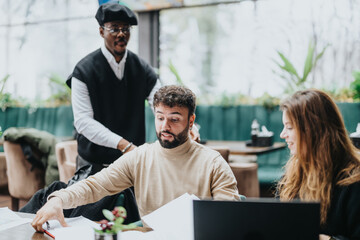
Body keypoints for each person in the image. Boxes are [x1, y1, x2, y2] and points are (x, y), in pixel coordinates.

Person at [20, 2, 199, 220]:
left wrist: (188, 126)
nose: (121, 34)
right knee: (84, 219)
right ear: (101, 30)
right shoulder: (83, 71)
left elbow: (163, 104)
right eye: (115, 28)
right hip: (94, 163)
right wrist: (124, 145)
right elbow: (83, 122)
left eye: (126, 29)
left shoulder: (142, 68)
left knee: (129, 218)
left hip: (132, 163)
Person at [31, 85, 239, 232]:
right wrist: (58, 199)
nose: (165, 126)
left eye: (174, 119)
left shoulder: (213, 163)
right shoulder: (141, 157)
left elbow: (228, 218)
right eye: (160, 118)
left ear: (191, 121)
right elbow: (95, 185)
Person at [277, 89, 360, 239]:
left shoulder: (354, 181)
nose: (283, 134)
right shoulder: (291, 177)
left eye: (289, 127)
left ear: (313, 130)